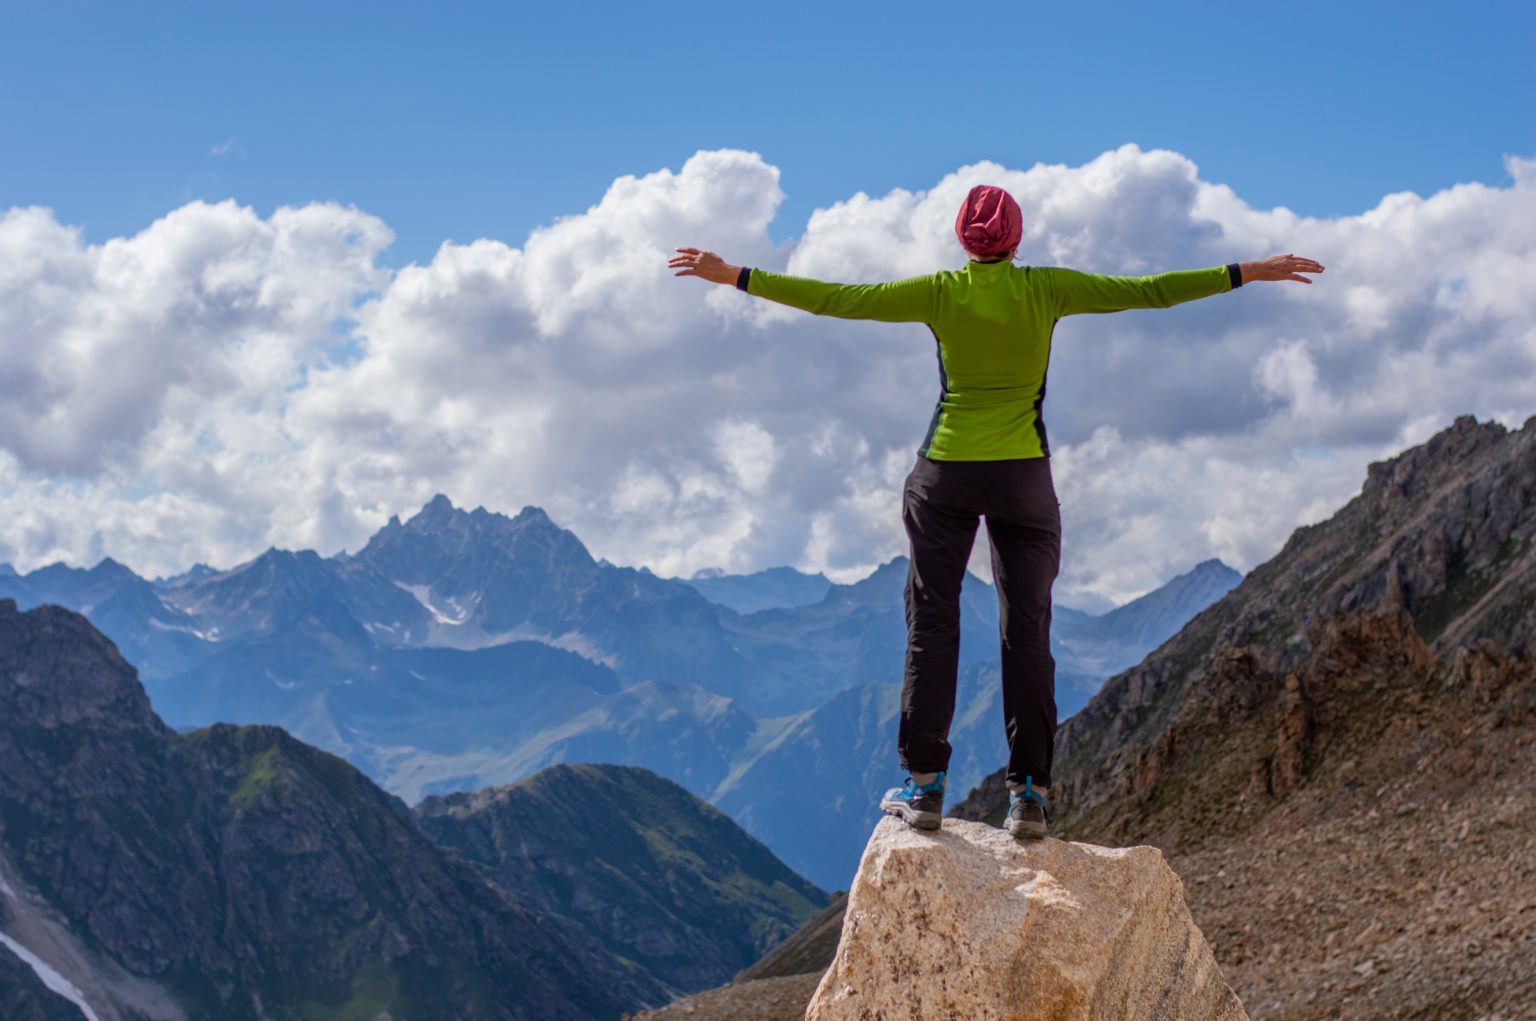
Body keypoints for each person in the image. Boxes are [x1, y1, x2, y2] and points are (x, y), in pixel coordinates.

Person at [670, 184, 1323, 839]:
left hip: (943, 475)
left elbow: (837, 299)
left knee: (932, 624)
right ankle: (1030, 796)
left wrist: (734, 275)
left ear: (963, 239)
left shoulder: (939, 291)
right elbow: (1151, 289)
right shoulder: (1047, 288)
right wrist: (1247, 271)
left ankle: (923, 787)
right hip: (1024, 480)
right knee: (1028, 631)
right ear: (1016, 237)